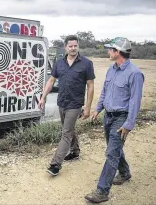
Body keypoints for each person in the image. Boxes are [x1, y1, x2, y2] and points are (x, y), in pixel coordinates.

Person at [85, 37, 144, 203]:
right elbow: (105, 91)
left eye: (110, 49)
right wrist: (98, 109)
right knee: (115, 149)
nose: (108, 52)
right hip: (108, 116)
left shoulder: (135, 73)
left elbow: (135, 101)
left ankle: (102, 191)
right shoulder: (111, 70)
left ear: (118, 52)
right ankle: (125, 173)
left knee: (111, 152)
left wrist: (129, 123)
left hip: (122, 118)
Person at [39, 35, 95, 176]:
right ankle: (75, 152)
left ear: (78, 46)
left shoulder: (86, 64)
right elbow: (51, 81)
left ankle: (55, 164)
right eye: (70, 46)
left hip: (75, 104)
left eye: (75, 45)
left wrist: (87, 107)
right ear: (65, 47)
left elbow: (90, 86)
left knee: (66, 133)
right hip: (62, 102)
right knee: (68, 129)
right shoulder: (59, 63)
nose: (73, 48)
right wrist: (43, 98)